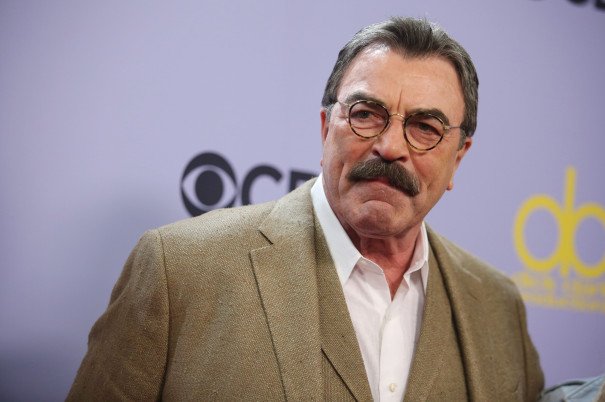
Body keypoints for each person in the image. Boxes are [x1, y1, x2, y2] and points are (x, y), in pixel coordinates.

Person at [67, 17, 544, 401]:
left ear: (457, 158)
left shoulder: (497, 307)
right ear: (325, 128)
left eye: (425, 128)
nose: (390, 146)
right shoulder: (179, 271)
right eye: (366, 114)